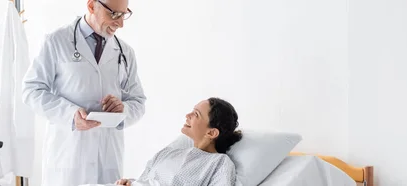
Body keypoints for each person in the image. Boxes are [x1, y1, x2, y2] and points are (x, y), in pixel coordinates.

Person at [21, 0, 146, 185]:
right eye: (114, 15)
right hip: (69, 157)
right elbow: (31, 90)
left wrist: (123, 109)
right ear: (91, 6)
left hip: (108, 159)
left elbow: (138, 101)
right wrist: (70, 114)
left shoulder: (125, 52)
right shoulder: (56, 41)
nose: (120, 23)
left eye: (124, 14)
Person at [115, 97, 242, 186]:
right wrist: (129, 182)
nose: (187, 115)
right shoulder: (170, 153)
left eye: (196, 114)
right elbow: (145, 180)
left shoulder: (219, 163)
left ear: (211, 133)